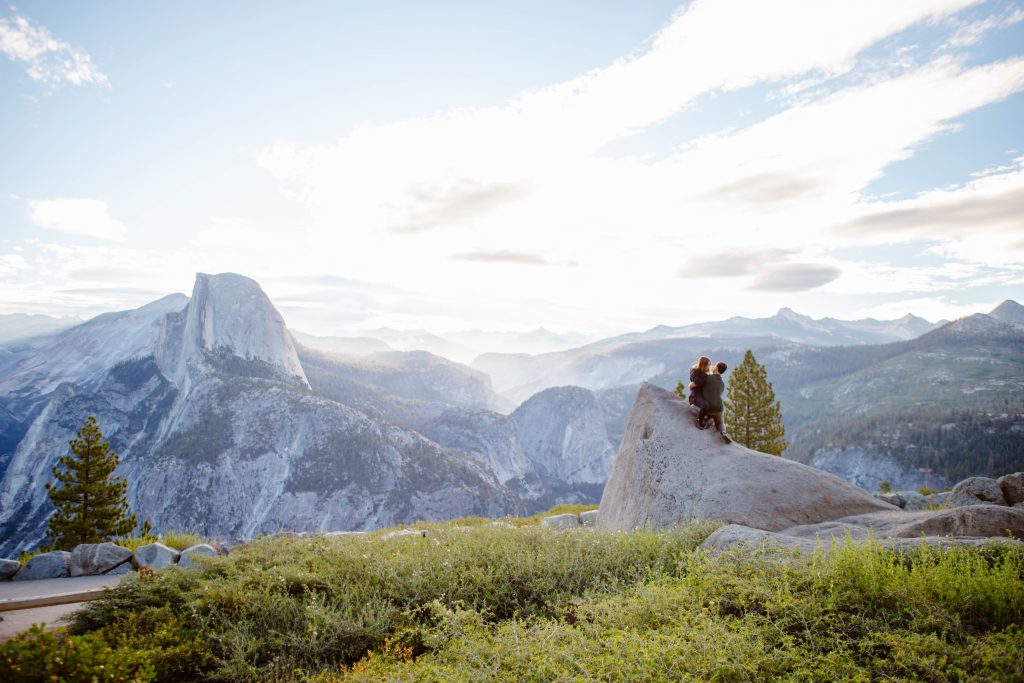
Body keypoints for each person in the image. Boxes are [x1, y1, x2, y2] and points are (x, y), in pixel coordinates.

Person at [699, 361, 732, 444]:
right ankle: (723, 432)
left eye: (714, 366)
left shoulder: (707, 378)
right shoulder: (722, 383)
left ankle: (707, 420)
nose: (712, 366)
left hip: (707, 407)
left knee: (692, 409)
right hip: (719, 408)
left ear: (716, 368)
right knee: (720, 423)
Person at [688, 356, 711, 428]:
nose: (710, 366)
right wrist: (707, 376)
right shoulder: (696, 373)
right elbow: (697, 383)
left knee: (714, 404)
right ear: (703, 365)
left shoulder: (702, 373)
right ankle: (699, 421)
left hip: (701, 395)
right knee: (705, 405)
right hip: (695, 396)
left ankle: (706, 418)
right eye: (709, 365)